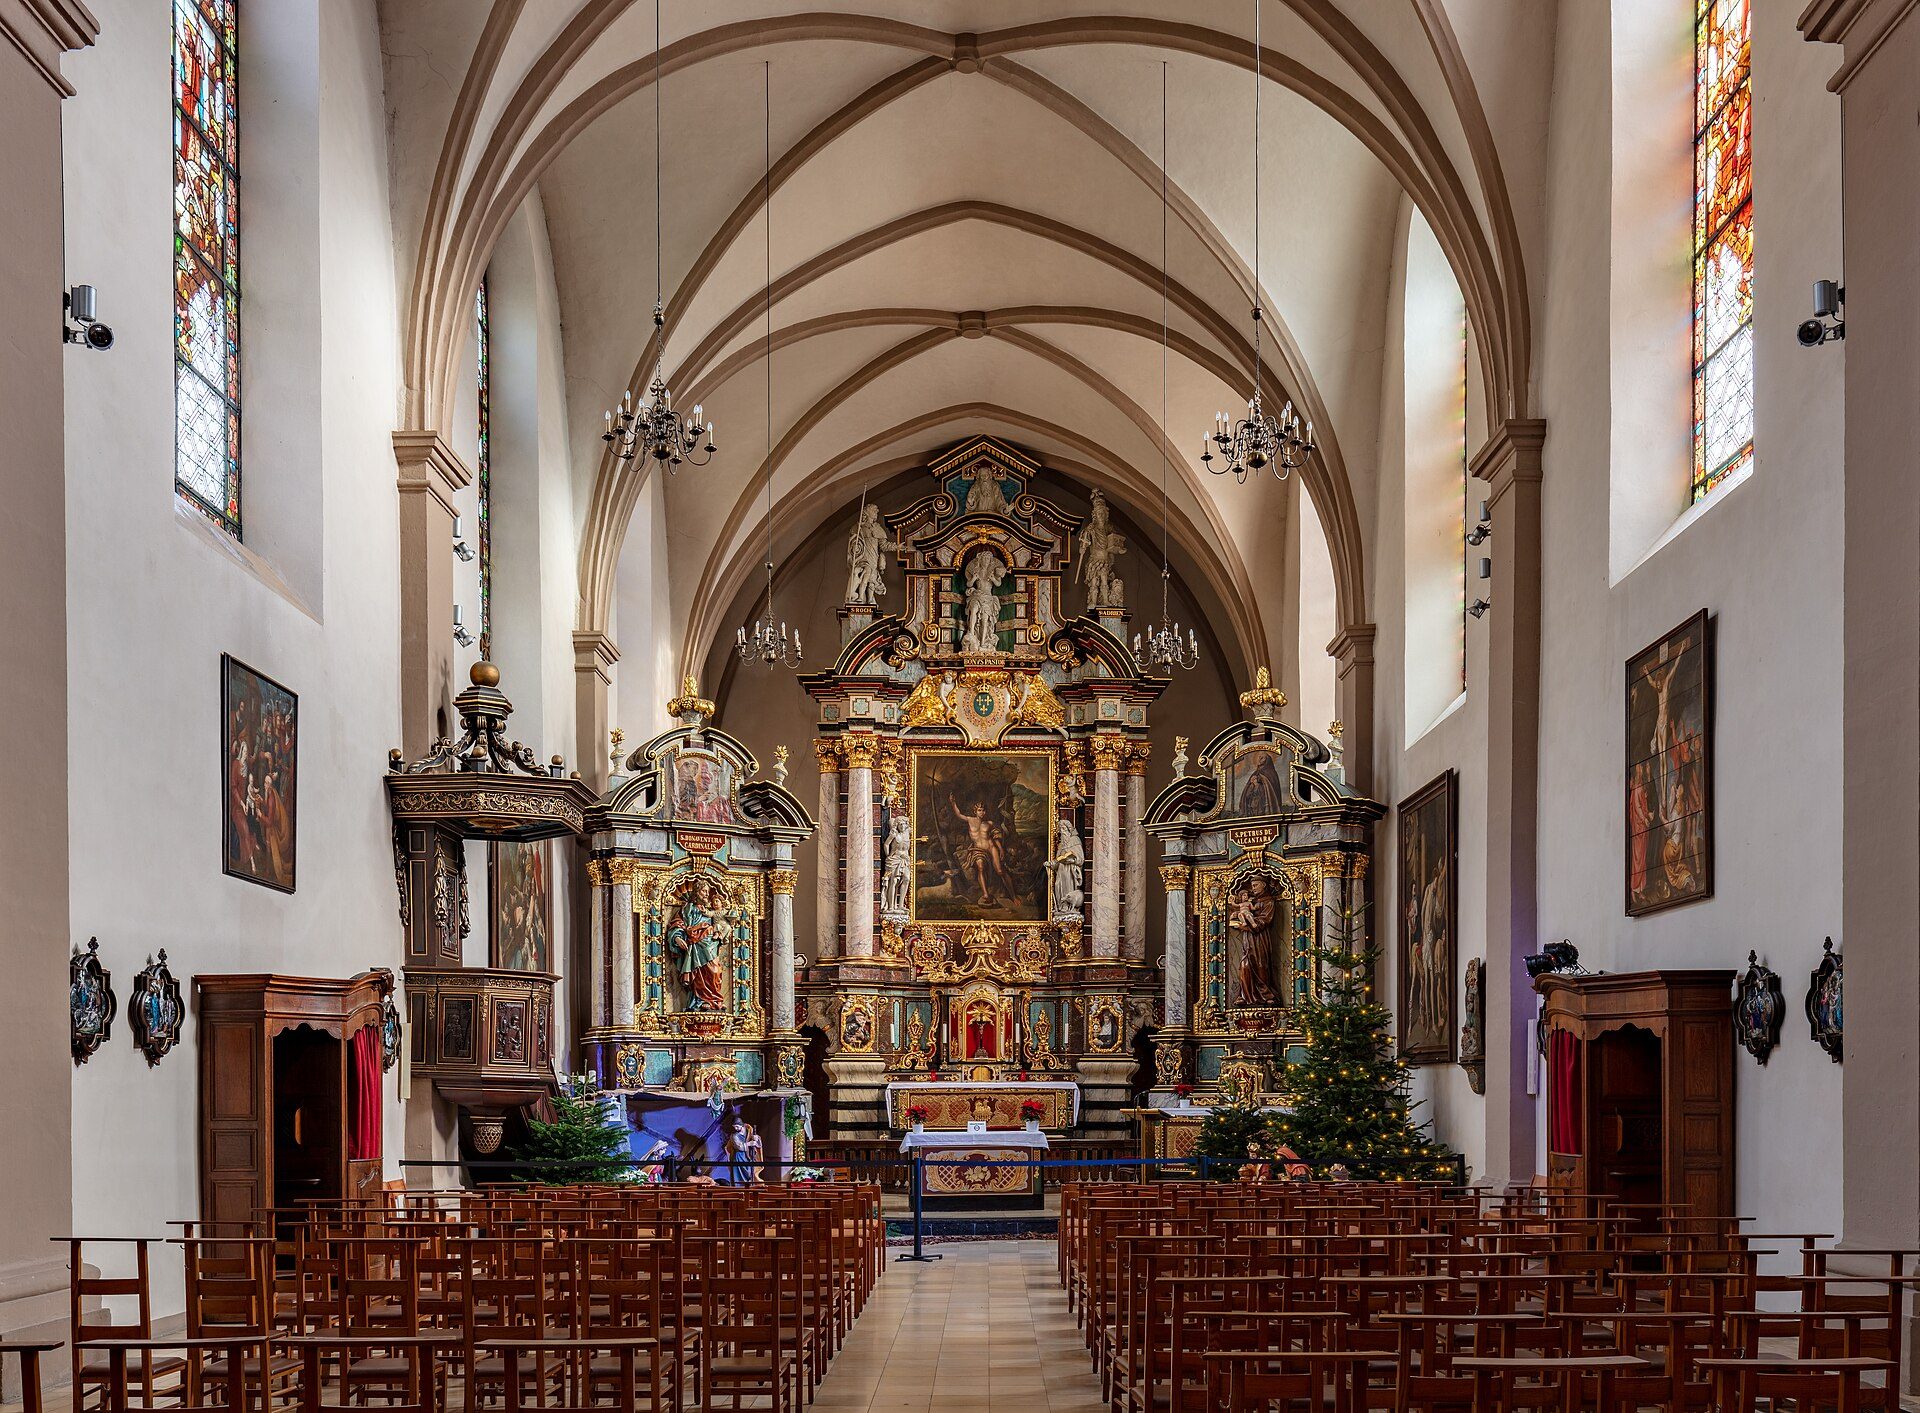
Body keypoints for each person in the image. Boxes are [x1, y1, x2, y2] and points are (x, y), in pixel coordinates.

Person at [666, 877, 729, 1011]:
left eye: (707, 891)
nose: (707, 894)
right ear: (696, 893)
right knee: (698, 974)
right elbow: (677, 925)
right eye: (704, 891)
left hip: (710, 944)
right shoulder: (687, 909)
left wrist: (721, 932)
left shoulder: (711, 910)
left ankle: (715, 1000)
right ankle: (700, 1001)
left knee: (715, 971)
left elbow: (722, 922)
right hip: (695, 946)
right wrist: (677, 938)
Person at [949, 796, 1011, 904]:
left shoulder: (989, 823)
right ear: (975, 811)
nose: (982, 812)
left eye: (983, 810)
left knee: (1000, 871)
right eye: (979, 810)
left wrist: (1001, 850)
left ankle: (1013, 896)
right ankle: (985, 894)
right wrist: (953, 802)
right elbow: (958, 814)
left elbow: (996, 837)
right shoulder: (970, 820)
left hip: (991, 848)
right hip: (977, 850)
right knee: (981, 866)